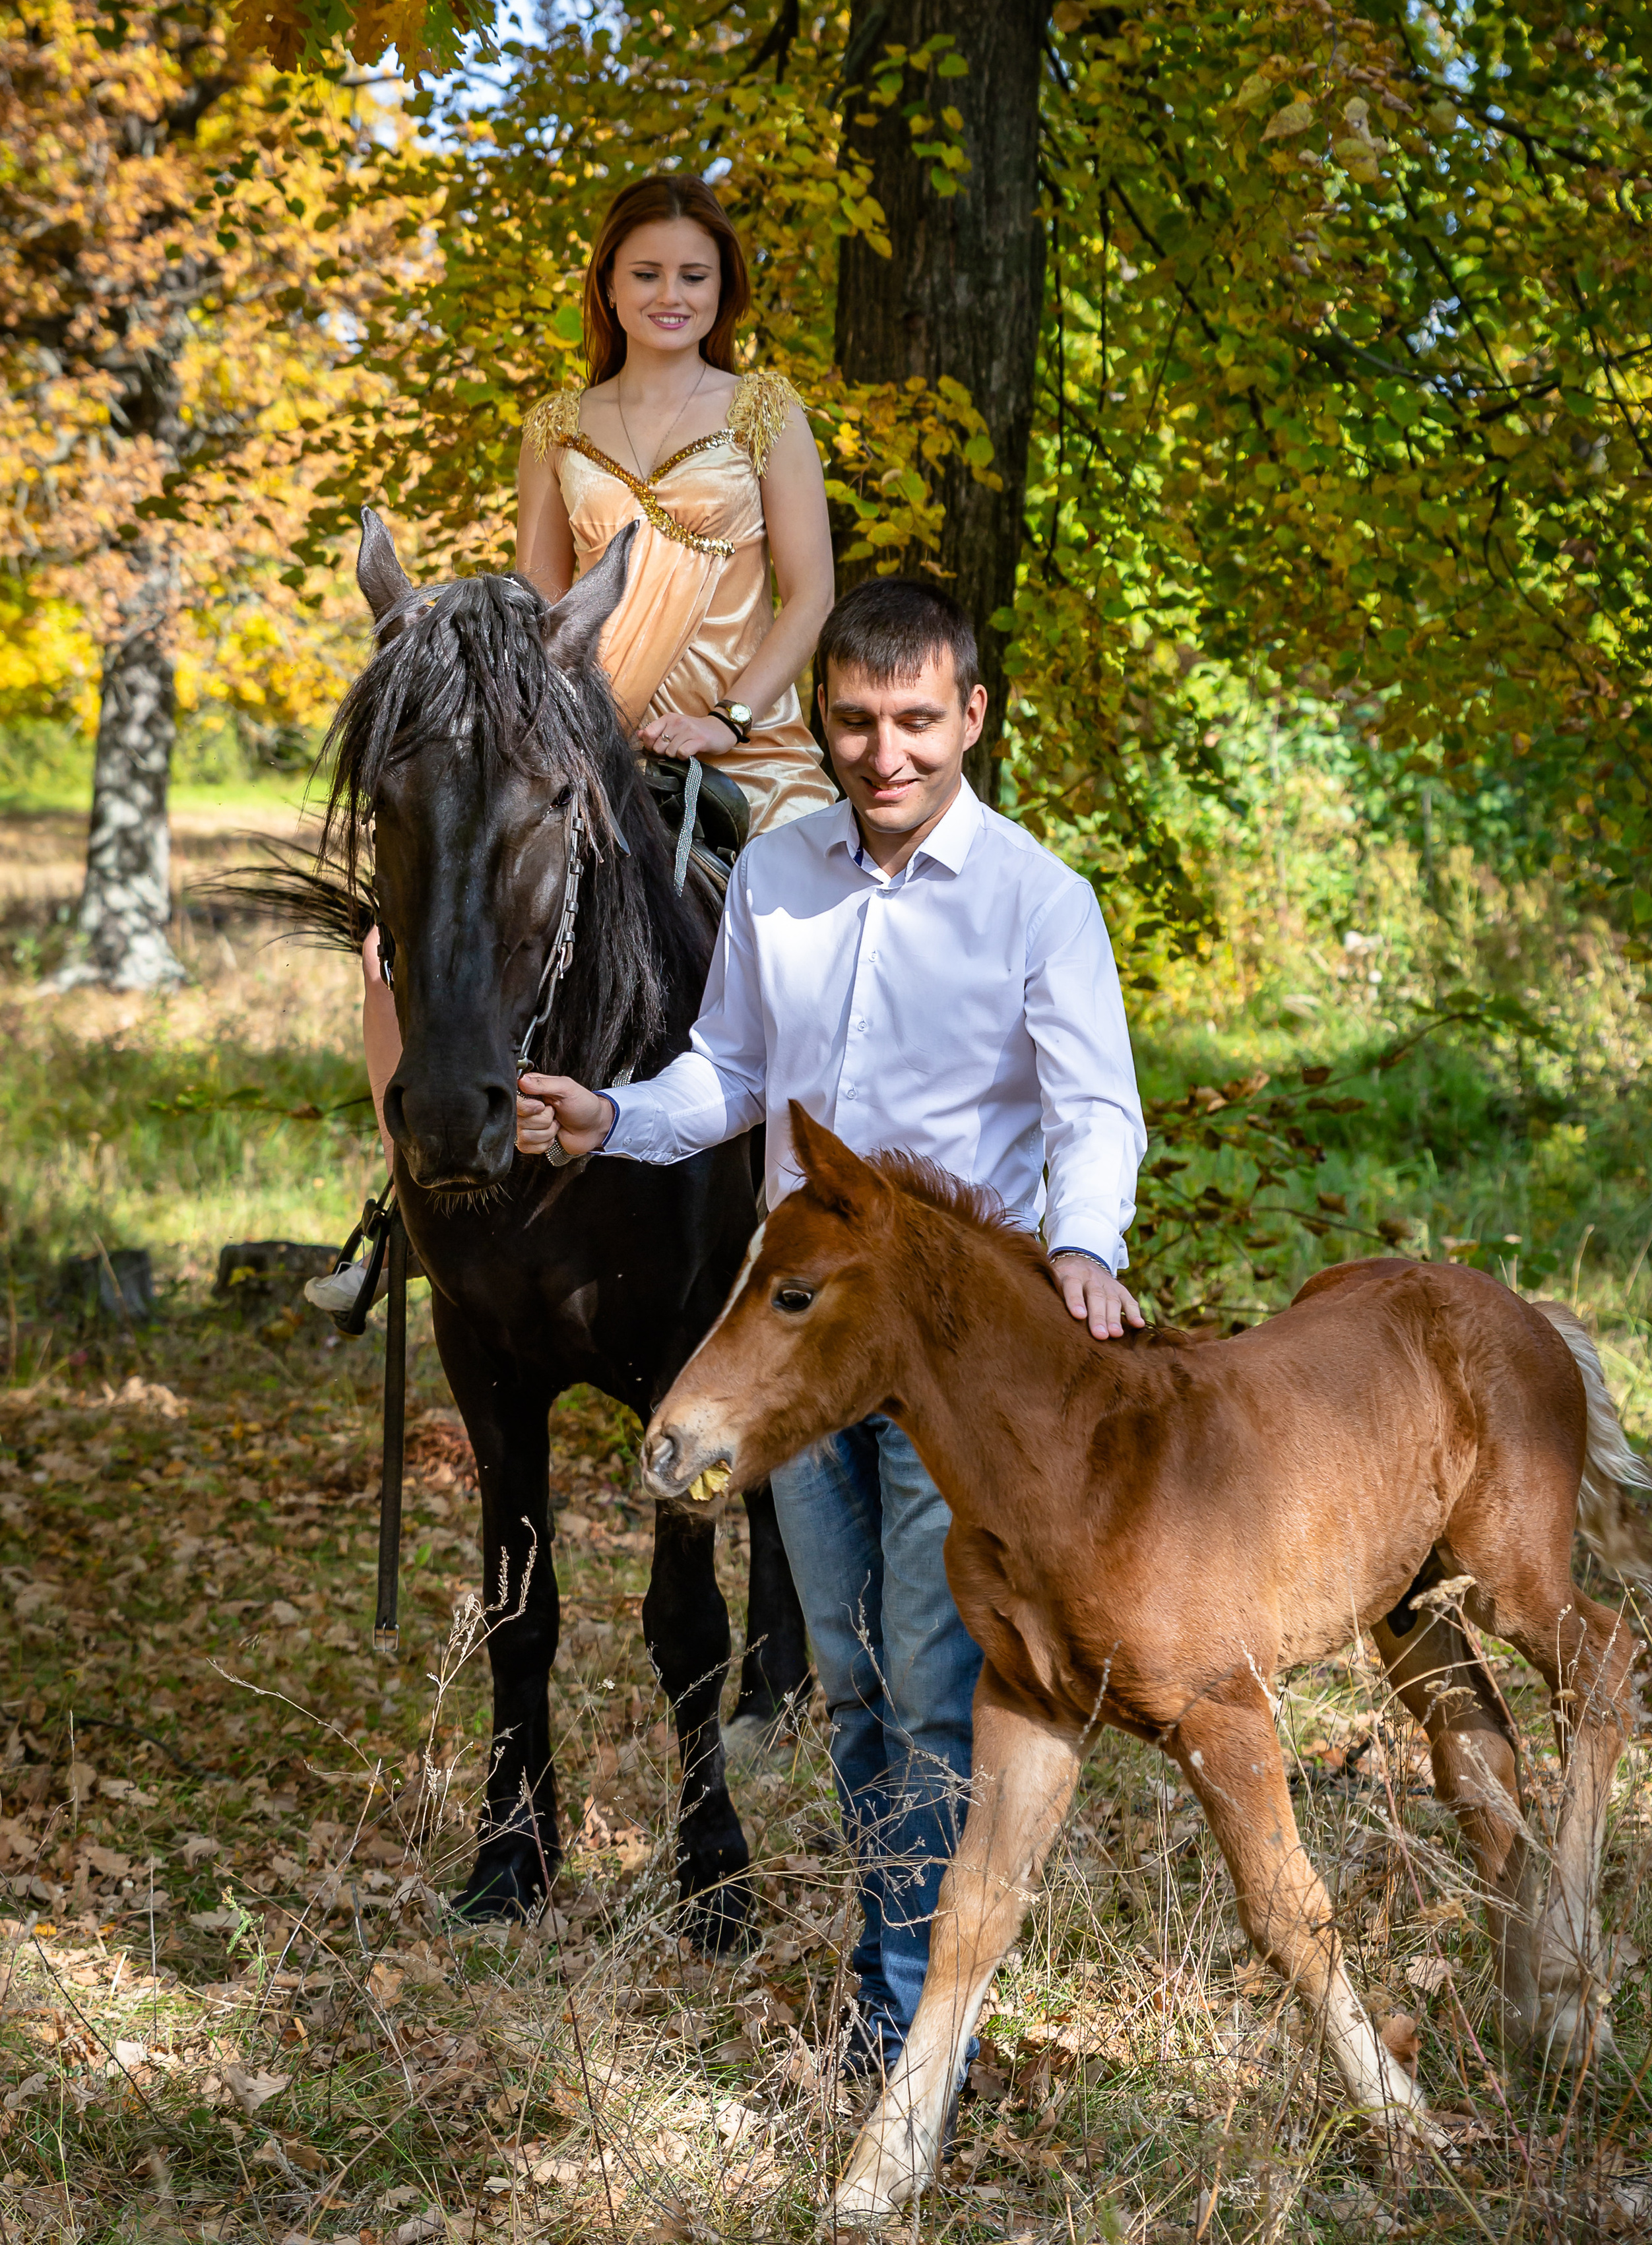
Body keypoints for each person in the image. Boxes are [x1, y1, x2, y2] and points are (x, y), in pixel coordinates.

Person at [514, 578, 1147, 2082]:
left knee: (935, 1686)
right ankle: (906, 1980)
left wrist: (1082, 1245)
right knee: (848, 1685)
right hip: (802, 1344)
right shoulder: (777, 878)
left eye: (918, 721)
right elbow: (729, 1072)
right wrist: (612, 1115)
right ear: (823, 721)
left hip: (947, 1360)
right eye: (856, 722)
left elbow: (1094, 1108)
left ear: (971, 717)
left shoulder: (1035, 899)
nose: (885, 754)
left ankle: (907, 2027)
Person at [306, 172, 836, 1316]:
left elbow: (811, 596)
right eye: (647, 272)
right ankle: (406, 1204)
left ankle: (814, 1220)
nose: (670, 294)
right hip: (594, 751)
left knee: (811, 953)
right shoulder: (556, 425)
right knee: (415, 930)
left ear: (722, 289)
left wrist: (733, 715)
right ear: (608, 282)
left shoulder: (765, 413)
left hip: (745, 746)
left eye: (693, 275)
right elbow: (536, 620)